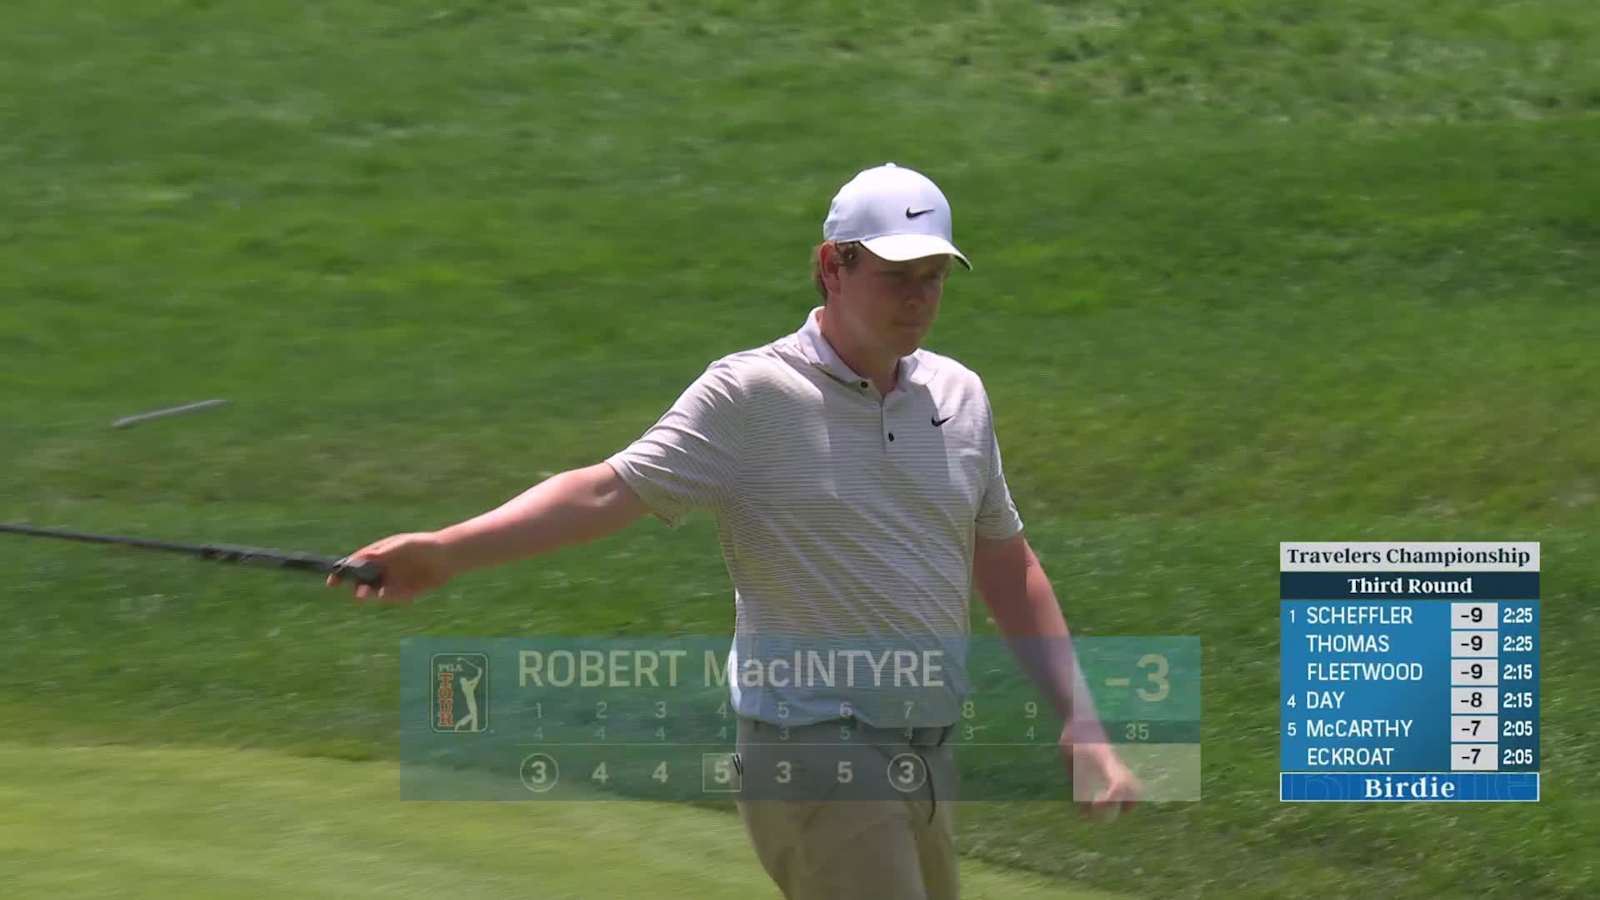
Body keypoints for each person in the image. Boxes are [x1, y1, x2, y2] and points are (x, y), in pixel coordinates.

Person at [328, 162, 1140, 899]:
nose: (919, 300)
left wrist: (1081, 717)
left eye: (933, 278)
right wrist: (447, 550)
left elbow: (1002, 559)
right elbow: (607, 491)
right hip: (814, 749)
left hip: (926, 753)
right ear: (833, 266)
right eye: (896, 276)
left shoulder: (958, 396)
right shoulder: (752, 395)